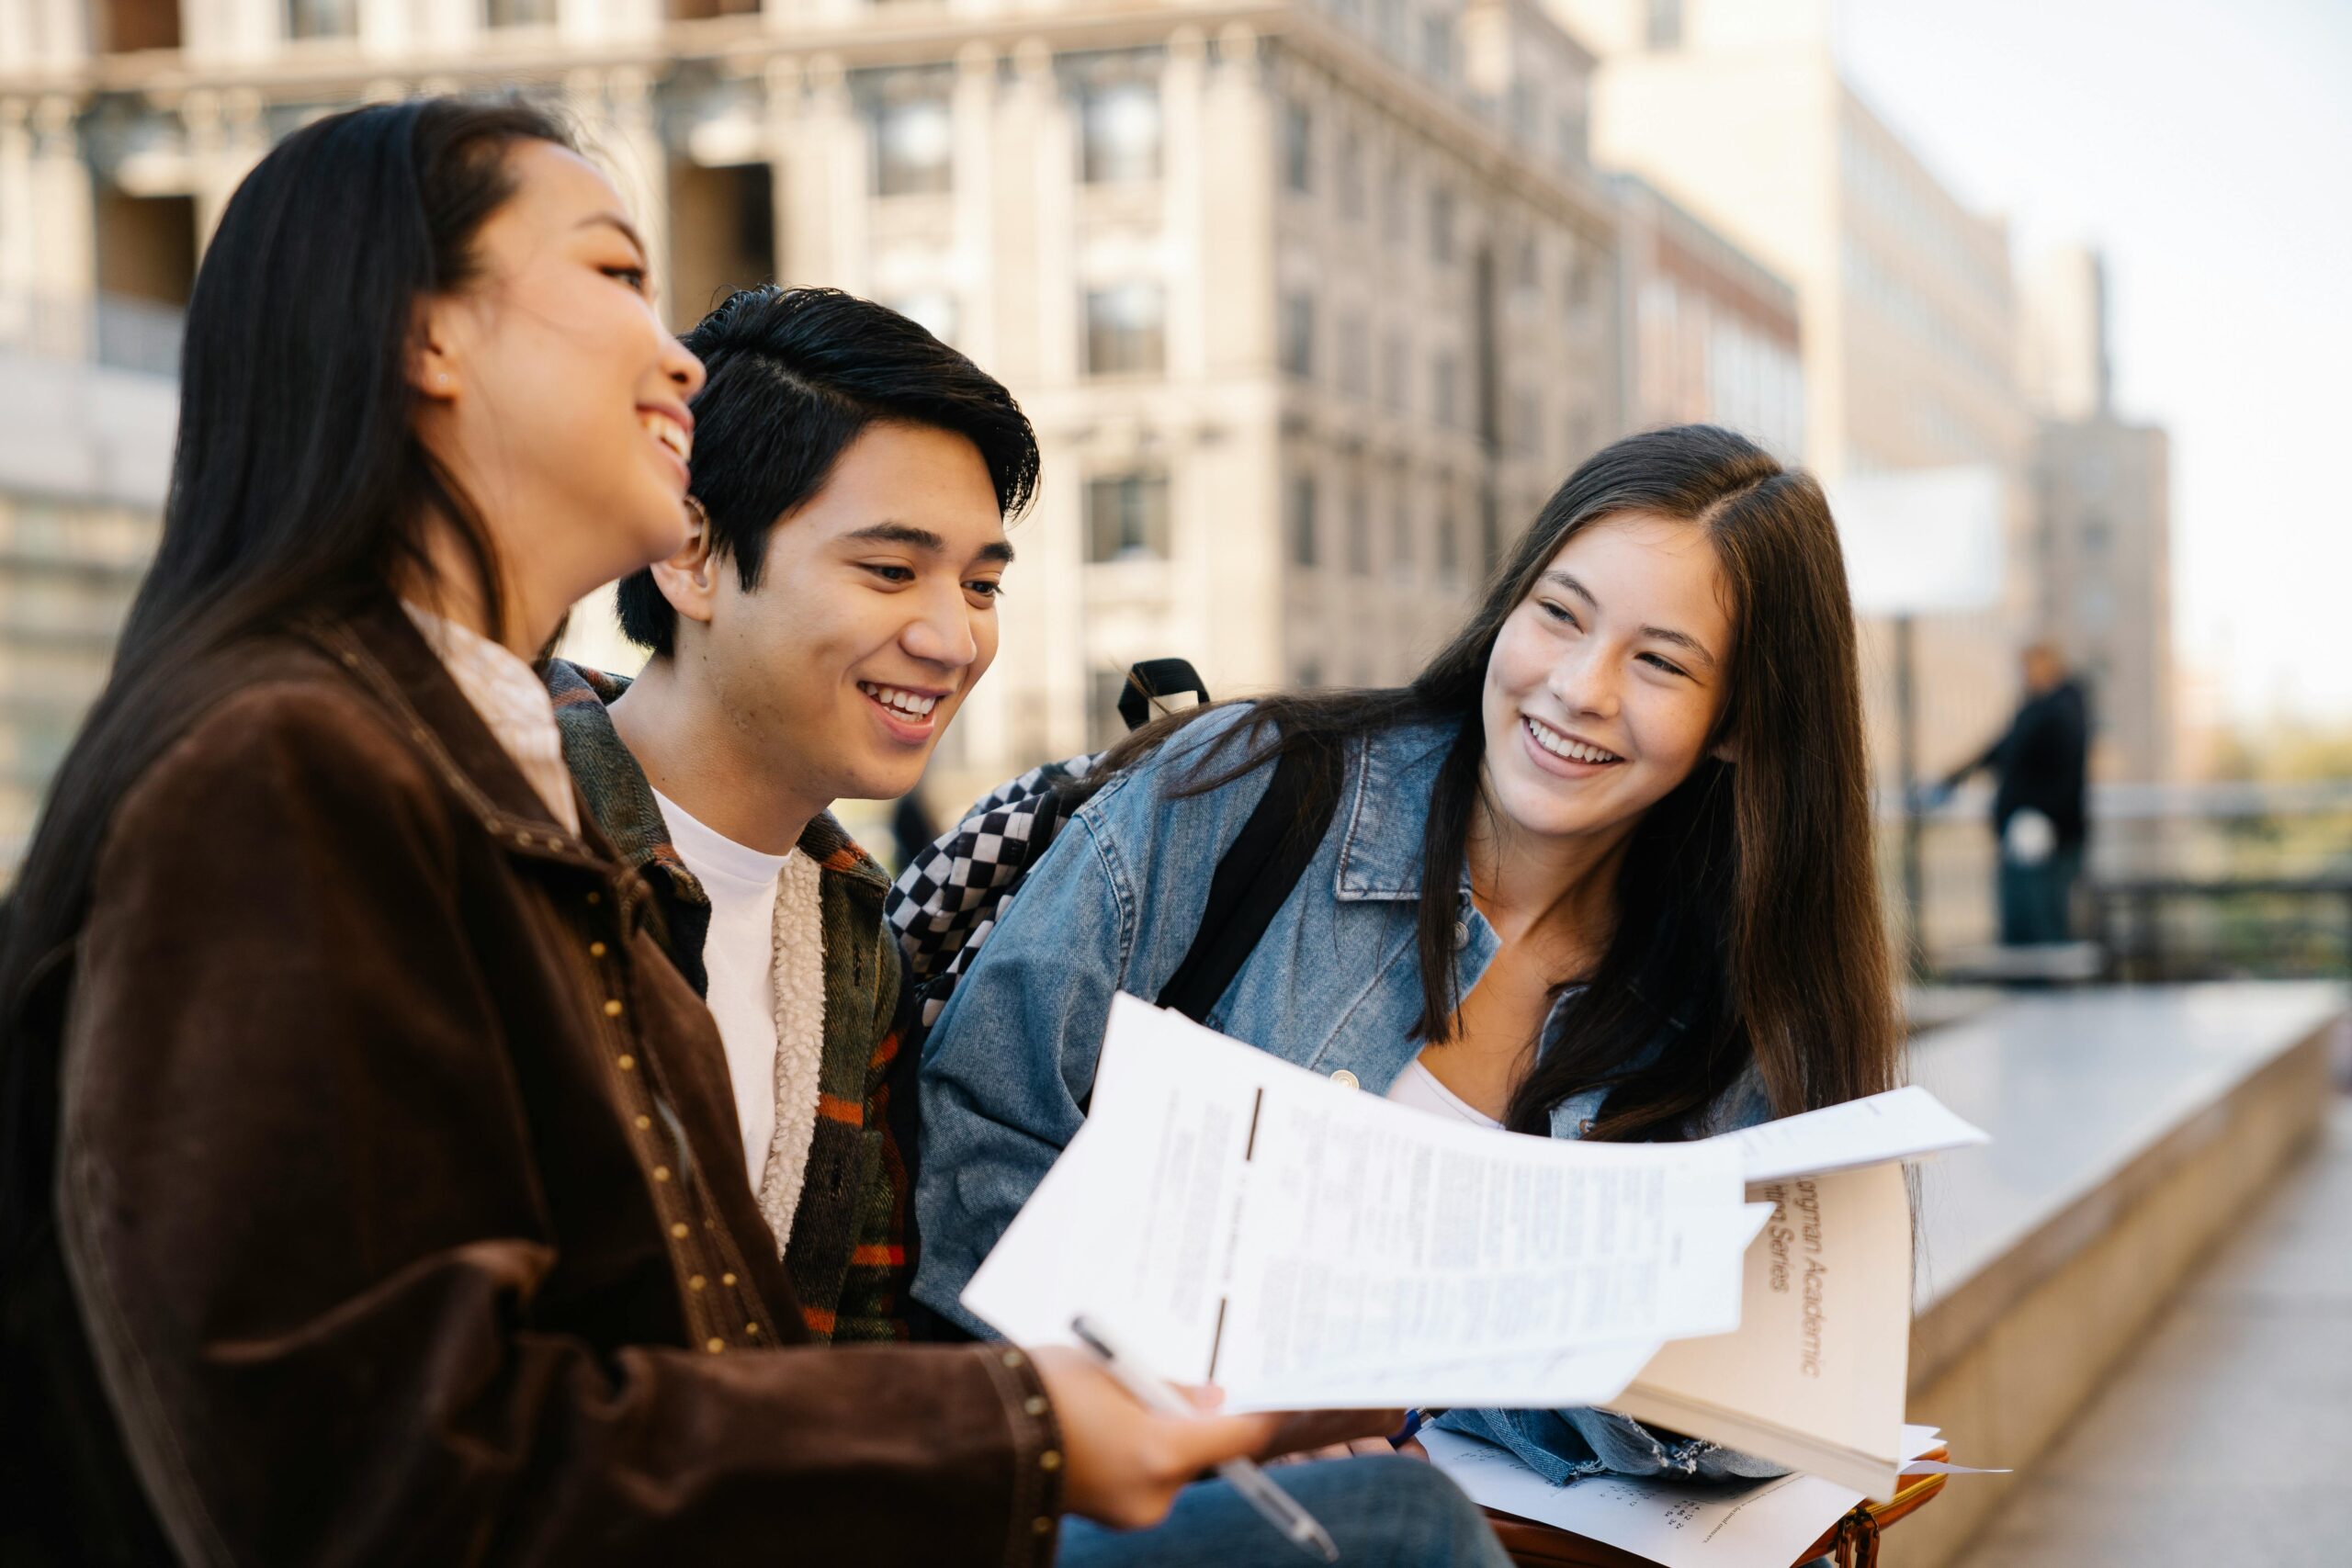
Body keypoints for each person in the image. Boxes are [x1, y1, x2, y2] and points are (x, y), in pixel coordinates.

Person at [0, 98, 1504, 1566]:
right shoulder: (295, 766)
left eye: (980, 578)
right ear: (425, 334)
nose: (675, 354)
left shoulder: (629, 840)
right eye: (613, 274)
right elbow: (380, 1472)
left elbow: (728, 1365)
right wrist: (1018, 1429)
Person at [914, 424, 1903, 1486]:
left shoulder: (1732, 1011)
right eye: (1558, 616)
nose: (1579, 688)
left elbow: (1758, 1422)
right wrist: (1200, 1407)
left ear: (1740, 724)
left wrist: (1415, 1395)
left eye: (1659, 662)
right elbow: (978, 1127)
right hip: (1110, 1487)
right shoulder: (1245, 790)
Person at [548, 285, 1033, 1346]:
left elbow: (854, 1344)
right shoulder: (516, 835)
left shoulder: (855, 942)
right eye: (891, 571)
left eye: (983, 586)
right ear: (689, 555)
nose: (952, 638)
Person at [1936, 642, 2090, 946]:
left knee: (2040, 922)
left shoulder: (2061, 711)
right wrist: (1951, 779)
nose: (2024, 675)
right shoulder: (2036, 709)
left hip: (2043, 836)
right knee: (2026, 921)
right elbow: (1999, 750)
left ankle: (2044, 988)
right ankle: (2033, 985)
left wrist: (2046, 819)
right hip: (2029, 832)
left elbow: (2066, 776)